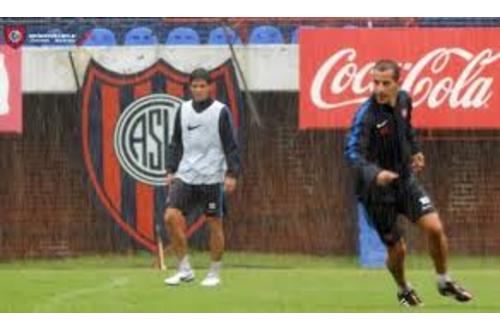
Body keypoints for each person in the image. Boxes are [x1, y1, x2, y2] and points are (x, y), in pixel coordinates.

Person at [344, 59, 473, 306]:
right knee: (398, 249)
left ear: (397, 83)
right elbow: (352, 153)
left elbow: (407, 128)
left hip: (404, 181)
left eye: (385, 83)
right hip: (376, 192)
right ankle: (404, 289)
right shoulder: (366, 115)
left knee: (434, 227)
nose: (379, 89)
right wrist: (375, 173)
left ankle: (444, 280)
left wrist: (415, 150)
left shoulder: (404, 100)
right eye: (375, 83)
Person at [163, 68, 240, 287]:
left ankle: (214, 273)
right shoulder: (183, 109)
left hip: (212, 176)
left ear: (209, 87)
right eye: (194, 86)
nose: (198, 90)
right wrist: (170, 169)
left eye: (202, 86)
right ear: (190, 88)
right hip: (186, 174)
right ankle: (185, 269)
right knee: (170, 217)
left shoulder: (220, 111)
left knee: (214, 223)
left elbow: (231, 145)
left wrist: (232, 173)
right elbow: (175, 142)